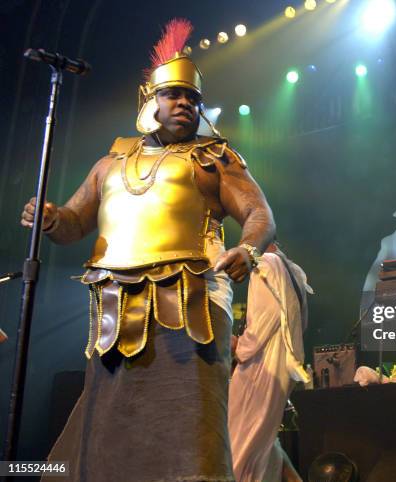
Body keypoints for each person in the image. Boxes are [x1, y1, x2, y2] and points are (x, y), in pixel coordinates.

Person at [20, 19, 274, 482]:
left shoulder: (215, 157)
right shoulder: (110, 163)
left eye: (192, 97)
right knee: (112, 425)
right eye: (173, 94)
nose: (184, 104)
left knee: (190, 426)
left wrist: (248, 250)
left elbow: (260, 215)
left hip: (192, 302)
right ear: (149, 100)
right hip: (118, 305)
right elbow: (76, 221)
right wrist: (53, 219)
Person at [228, 243, 312, 482]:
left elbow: (264, 320)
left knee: (238, 445)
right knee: (263, 442)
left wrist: (238, 346)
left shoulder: (264, 262)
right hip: (283, 363)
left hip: (262, 366)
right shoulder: (292, 270)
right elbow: (299, 324)